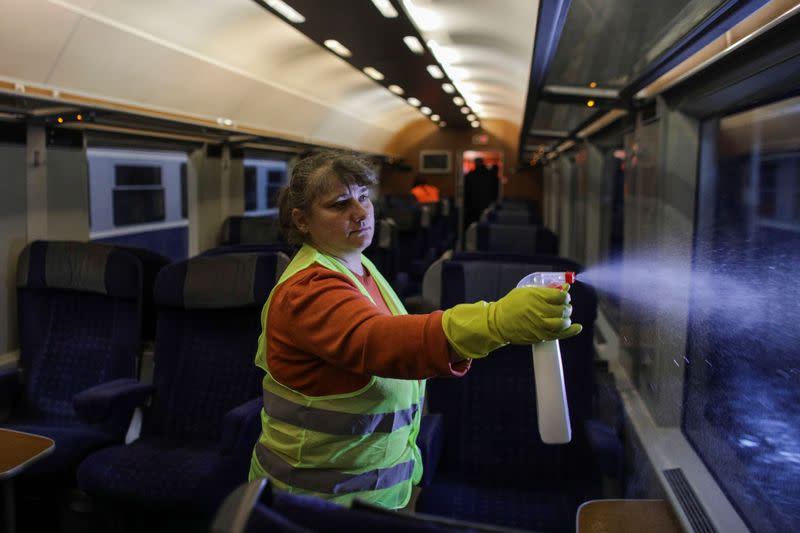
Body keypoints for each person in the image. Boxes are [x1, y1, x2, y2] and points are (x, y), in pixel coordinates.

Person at [249, 151, 581, 509]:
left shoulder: (356, 265)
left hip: (373, 491)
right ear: (302, 221)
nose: (360, 212)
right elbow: (379, 341)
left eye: (363, 197)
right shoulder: (308, 290)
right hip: (315, 504)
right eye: (339, 204)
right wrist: (495, 321)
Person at [463, 157, 498, 229]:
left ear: (475, 164)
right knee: (484, 226)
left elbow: (466, 191)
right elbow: (495, 190)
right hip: (486, 204)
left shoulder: (470, 175)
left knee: (473, 226)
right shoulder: (490, 174)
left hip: (472, 205)